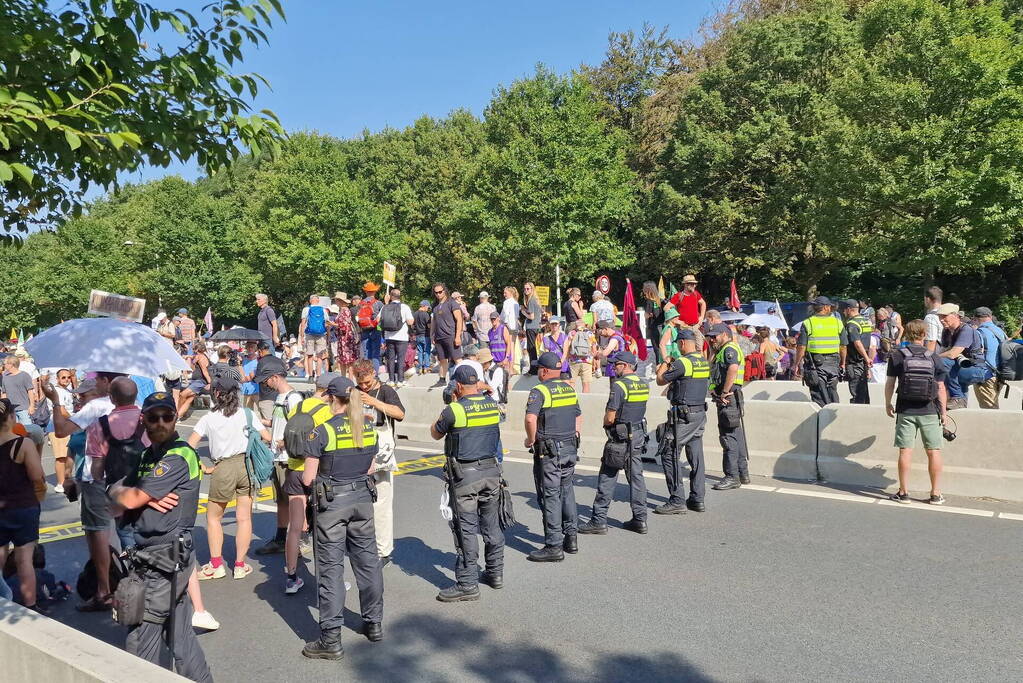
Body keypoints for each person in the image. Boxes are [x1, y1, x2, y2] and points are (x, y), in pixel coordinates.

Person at [107, 392, 212, 682]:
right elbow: (114, 494)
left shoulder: (178, 455)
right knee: (182, 640)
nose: (161, 422)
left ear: (176, 418)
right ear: (144, 420)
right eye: (154, 417)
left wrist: (137, 497)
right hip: (158, 560)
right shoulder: (147, 455)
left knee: (141, 638)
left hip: (163, 562)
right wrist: (137, 497)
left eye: (167, 416)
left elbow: (128, 500)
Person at [301, 376, 384, 659]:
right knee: (368, 563)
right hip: (362, 500)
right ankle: (373, 624)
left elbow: (309, 477)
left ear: (331, 399)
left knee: (331, 570)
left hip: (332, 504)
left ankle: (331, 639)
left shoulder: (322, 431)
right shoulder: (368, 426)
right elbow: (371, 469)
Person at [430, 364, 505, 601]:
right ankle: (495, 573)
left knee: (466, 529)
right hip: (492, 472)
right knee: (492, 525)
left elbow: (435, 432)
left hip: (465, 477)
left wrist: (450, 403)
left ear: (458, 385)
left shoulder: (455, 409)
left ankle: (467, 583)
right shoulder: (493, 406)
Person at [188, 376, 270, 582]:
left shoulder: (208, 418)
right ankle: (240, 565)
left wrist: (203, 467)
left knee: (214, 517)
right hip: (246, 466)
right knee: (244, 518)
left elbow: (189, 446)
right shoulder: (247, 414)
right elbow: (267, 437)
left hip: (222, 467)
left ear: (216, 394)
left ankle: (216, 565)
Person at [579, 351, 649, 535]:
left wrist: (605, 423)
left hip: (620, 437)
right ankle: (640, 519)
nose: (613, 367)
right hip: (637, 434)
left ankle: (599, 520)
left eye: (616, 364)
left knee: (607, 477)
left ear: (625, 366)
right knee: (636, 478)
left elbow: (611, 416)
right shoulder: (643, 384)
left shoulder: (619, 386)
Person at [523, 352, 582, 563]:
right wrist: (574, 437)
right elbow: (578, 416)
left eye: (539, 368)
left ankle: (554, 545)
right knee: (567, 491)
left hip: (549, 450)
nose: (538, 371)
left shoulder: (539, 391)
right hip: (569, 446)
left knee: (550, 495)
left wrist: (530, 440)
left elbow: (531, 418)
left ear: (545, 371)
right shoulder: (569, 388)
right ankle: (571, 538)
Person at [280, 373, 336, 594]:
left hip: (294, 469)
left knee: (294, 528)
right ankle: (329, 579)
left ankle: (291, 577)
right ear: (329, 392)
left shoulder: (298, 407)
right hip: (317, 472)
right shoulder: (327, 412)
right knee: (324, 528)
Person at [884, 319, 948, 505]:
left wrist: (888, 403)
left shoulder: (898, 355)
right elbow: (941, 387)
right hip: (929, 409)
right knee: (933, 451)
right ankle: (935, 493)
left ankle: (903, 492)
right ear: (924, 335)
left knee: (905, 450)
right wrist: (943, 412)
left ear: (907, 335)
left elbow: (890, 383)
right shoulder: (934, 357)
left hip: (905, 409)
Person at [352, 360, 405, 566]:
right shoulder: (354, 391)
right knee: (358, 504)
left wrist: (375, 403)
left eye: (366, 382)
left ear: (373, 374)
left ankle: (383, 551)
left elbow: (400, 414)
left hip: (381, 450)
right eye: (360, 383)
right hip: (358, 449)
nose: (363, 386)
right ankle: (363, 544)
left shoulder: (385, 391)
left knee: (382, 502)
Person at [252, 356, 304, 556]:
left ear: (274, 377)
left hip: (287, 459)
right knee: (281, 501)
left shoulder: (294, 398)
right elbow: (277, 424)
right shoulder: (280, 399)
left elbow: (299, 429)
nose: (265, 383)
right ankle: (282, 538)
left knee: (293, 500)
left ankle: (296, 541)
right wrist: (258, 422)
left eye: (266, 379)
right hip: (277, 456)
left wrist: (285, 442)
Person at [655, 329, 710, 513]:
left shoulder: (682, 362)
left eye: (678, 344)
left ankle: (677, 499)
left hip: (684, 417)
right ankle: (697, 498)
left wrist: (665, 362)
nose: (678, 347)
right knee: (696, 457)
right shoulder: (702, 361)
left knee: (669, 453)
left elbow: (660, 380)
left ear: (683, 343)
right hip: (699, 414)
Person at [0, 398, 45, 612]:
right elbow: (37, 477)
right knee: (24, 559)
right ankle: (30, 605)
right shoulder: (22, 443)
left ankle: (2, 600)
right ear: (10, 418)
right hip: (23, 506)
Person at [707, 323, 750, 491]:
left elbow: (733, 368)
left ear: (725, 334)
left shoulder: (729, 349)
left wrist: (724, 392)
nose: (711, 339)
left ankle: (731, 476)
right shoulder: (721, 350)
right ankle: (742, 472)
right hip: (731, 397)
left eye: (714, 336)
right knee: (735, 435)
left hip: (728, 398)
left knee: (728, 437)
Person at [793, 296, 843, 407]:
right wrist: (843, 363)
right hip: (833, 362)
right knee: (832, 389)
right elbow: (843, 346)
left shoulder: (808, 323)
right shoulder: (838, 323)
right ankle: (834, 414)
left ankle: (822, 417)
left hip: (815, 364)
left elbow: (801, 347)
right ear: (826, 307)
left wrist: (797, 364)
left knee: (818, 391)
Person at [936, 304, 985, 410]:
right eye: (940, 317)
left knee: (943, 363)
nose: (941, 320)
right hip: (959, 368)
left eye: (944, 316)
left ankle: (957, 398)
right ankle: (958, 400)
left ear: (955, 315)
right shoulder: (947, 331)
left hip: (976, 368)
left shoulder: (966, 330)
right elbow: (944, 351)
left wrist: (933, 357)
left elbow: (952, 353)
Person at [971, 306, 1006, 409]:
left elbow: (977, 353)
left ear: (975, 319)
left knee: (990, 410)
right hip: (1001, 375)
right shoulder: (1000, 331)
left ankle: (999, 426)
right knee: (993, 405)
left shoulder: (979, 332)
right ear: (990, 316)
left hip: (986, 376)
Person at [47, 369, 75, 492]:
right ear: (57, 379)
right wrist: (76, 419)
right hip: (57, 426)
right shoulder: (57, 391)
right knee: (61, 456)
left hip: (66, 426)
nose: (66, 380)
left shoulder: (67, 390)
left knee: (68, 455)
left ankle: (66, 479)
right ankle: (60, 483)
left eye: (68, 377)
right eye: (63, 377)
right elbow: (62, 411)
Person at [840, 299, 873, 404]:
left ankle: (857, 416)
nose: (843, 312)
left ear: (849, 309)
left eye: (844, 310)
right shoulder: (866, 321)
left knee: (856, 392)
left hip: (855, 362)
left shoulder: (851, 324)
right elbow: (870, 344)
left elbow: (857, 343)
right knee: (863, 390)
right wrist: (867, 359)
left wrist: (867, 359)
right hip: (863, 362)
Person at [431, 282, 464, 385]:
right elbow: (433, 321)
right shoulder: (435, 306)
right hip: (439, 337)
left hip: (451, 335)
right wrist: (432, 334)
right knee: (442, 360)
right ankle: (442, 379)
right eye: (436, 293)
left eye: (440, 292)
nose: (438, 294)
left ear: (444, 291)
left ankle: (464, 378)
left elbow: (459, 319)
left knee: (457, 359)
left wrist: (458, 336)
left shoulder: (452, 303)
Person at [380, 288, 414, 388]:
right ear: (400, 296)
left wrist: (386, 303)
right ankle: (400, 380)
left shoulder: (385, 307)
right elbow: (410, 322)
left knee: (390, 359)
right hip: (402, 337)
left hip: (389, 336)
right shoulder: (405, 307)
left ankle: (391, 380)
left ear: (390, 296)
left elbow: (378, 319)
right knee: (401, 359)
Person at [668, 274, 707, 351]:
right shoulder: (679, 296)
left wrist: (702, 317)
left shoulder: (696, 294)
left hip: (696, 326)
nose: (694, 285)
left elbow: (703, 303)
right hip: (684, 328)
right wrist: (676, 320)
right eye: (691, 284)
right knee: (686, 350)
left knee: (699, 349)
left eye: (694, 284)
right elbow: (666, 307)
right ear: (685, 284)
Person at [299, 294, 330, 381]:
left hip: (309, 334)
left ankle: (310, 376)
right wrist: (328, 335)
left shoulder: (306, 309)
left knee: (309, 355)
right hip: (321, 335)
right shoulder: (323, 310)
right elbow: (327, 323)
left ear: (310, 301)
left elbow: (303, 323)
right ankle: (319, 375)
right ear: (318, 301)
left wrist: (302, 336)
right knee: (319, 356)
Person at [177, 341, 211, 417]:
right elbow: (193, 358)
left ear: (196, 349)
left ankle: (176, 414)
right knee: (189, 398)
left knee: (182, 394)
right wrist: (188, 356)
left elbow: (204, 371)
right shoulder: (199, 356)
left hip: (200, 381)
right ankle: (180, 415)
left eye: (194, 349)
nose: (193, 351)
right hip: (196, 381)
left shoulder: (201, 358)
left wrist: (210, 383)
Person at [356, 282, 385, 372]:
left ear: (366, 292)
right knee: (375, 354)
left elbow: (357, 318)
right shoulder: (379, 303)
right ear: (375, 292)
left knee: (366, 353)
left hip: (364, 330)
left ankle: (366, 373)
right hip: (376, 330)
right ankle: (375, 375)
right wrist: (380, 330)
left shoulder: (361, 303)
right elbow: (382, 318)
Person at [2, 356, 36, 424]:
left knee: (27, 430)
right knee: (14, 432)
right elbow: (4, 393)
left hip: (24, 409)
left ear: (11, 364)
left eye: (5, 364)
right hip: (10, 410)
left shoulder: (24, 375)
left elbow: (30, 391)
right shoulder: (5, 377)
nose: (4, 365)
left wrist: (32, 405)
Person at [566, 319, 596, 393]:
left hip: (574, 361)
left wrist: (568, 357)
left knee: (571, 382)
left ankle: (571, 399)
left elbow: (567, 346)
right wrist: (592, 359)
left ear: (576, 325)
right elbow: (594, 349)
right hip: (586, 361)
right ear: (584, 324)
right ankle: (585, 401)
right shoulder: (590, 333)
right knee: (586, 384)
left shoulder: (572, 333)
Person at [595, 319, 628, 385]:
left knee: (614, 390)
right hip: (621, 367)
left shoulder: (614, 338)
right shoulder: (619, 334)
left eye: (600, 332)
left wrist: (597, 355)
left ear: (606, 329)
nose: (601, 335)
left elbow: (606, 352)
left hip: (616, 369)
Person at [521, 282, 543, 374]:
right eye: (525, 289)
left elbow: (531, 316)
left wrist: (523, 312)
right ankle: (534, 367)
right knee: (533, 348)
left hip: (531, 326)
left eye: (528, 289)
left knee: (531, 349)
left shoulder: (531, 300)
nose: (526, 291)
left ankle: (533, 369)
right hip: (536, 326)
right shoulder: (536, 300)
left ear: (532, 289)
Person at [500, 287, 522, 375]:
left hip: (508, 326)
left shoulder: (507, 302)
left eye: (505, 293)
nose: (504, 294)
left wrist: (504, 323)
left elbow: (504, 315)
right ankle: (512, 366)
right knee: (513, 347)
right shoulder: (516, 303)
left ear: (510, 293)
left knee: (508, 347)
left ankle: (509, 367)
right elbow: (516, 317)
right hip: (514, 327)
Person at [486, 310, 513, 375]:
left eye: (494, 319)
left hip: (504, 361)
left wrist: (506, 358)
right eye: (491, 319)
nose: (493, 320)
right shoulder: (490, 331)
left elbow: (509, 344)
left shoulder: (503, 328)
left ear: (498, 318)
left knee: (505, 381)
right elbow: (490, 347)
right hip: (494, 362)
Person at [413, 300, 433, 375]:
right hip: (426, 335)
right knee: (427, 351)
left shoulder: (415, 314)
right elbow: (429, 326)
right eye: (428, 307)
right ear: (424, 306)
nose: (428, 309)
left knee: (420, 352)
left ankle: (420, 368)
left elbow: (412, 325)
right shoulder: (425, 314)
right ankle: (426, 367)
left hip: (418, 335)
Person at [923, 286, 943, 352]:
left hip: (938, 354)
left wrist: (927, 359)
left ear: (928, 299)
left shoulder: (931, 317)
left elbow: (931, 341)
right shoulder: (949, 314)